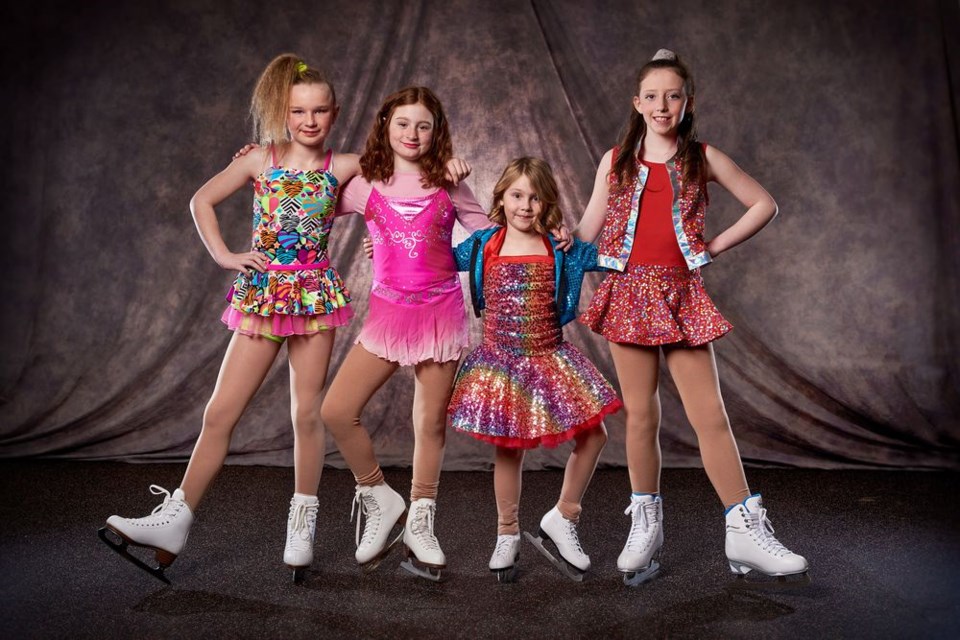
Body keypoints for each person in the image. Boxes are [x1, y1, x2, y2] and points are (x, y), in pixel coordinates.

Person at [99, 53, 360, 583]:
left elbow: (405, 190)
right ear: (285, 113)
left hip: (313, 297)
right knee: (219, 413)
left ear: (335, 113)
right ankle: (175, 518)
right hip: (263, 295)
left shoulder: (347, 166)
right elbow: (201, 201)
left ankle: (301, 525)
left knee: (304, 415)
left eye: (320, 112)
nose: (309, 121)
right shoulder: (258, 160)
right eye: (299, 111)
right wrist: (223, 254)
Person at [576, 49, 808, 586]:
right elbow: (588, 227)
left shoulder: (702, 157)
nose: (662, 105)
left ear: (688, 102)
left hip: (681, 294)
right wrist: (550, 246)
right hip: (628, 293)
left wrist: (715, 246)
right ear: (637, 104)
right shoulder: (615, 160)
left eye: (673, 96)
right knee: (640, 415)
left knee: (710, 415)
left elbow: (763, 203)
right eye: (652, 96)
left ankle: (743, 527)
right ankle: (646, 523)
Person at [319, 86, 495, 582]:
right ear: (385, 126)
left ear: (436, 132)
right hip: (388, 316)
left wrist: (549, 235)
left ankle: (422, 518)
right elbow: (308, 203)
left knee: (429, 422)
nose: (412, 134)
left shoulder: (448, 181)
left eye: (423, 125)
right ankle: (378, 494)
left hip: (440, 312)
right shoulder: (365, 182)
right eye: (402, 124)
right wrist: (262, 160)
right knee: (337, 410)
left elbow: (489, 240)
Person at [449, 157, 622, 583]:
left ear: (548, 203)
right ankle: (506, 533)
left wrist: (673, 252)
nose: (526, 205)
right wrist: (384, 246)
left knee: (595, 434)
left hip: (549, 356)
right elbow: (431, 258)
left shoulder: (560, 248)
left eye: (535, 197)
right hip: (500, 362)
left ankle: (565, 515)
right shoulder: (484, 243)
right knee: (509, 448)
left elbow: (617, 259)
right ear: (501, 198)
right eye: (517, 195)